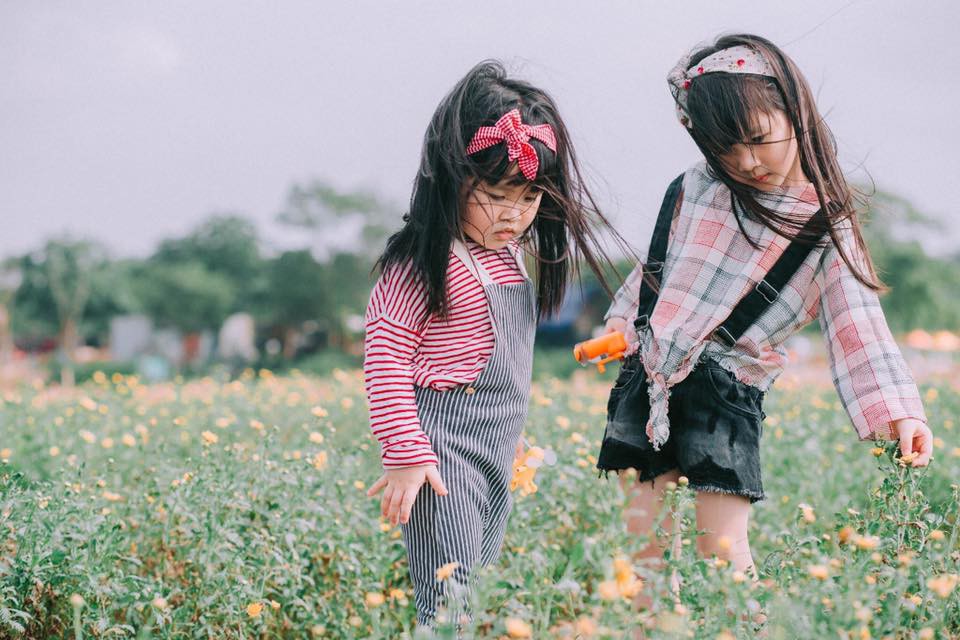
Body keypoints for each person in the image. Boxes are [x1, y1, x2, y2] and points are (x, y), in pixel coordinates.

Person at [598, 34, 933, 610]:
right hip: (644, 379)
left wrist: (897, 412)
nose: (747, 162)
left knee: (722, 549)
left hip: (725, 392)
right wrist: (618, 328)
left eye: (758, 139)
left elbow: (858, 326)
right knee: (641, 550)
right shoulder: (694, 188)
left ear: (795, 113)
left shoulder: (824, 225)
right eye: (725, 148)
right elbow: (655, 274)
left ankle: (751, 626)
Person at [363, 60, 624, 628]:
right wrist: (406, 453)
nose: (514, 214)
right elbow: (385, 358)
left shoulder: (505, 258)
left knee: (477, 582)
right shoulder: (423, 262)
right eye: (496, 194)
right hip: (441, 453)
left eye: (529, 197)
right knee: (449, 591)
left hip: (495, 451)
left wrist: (514, 437)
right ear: (449, 177)